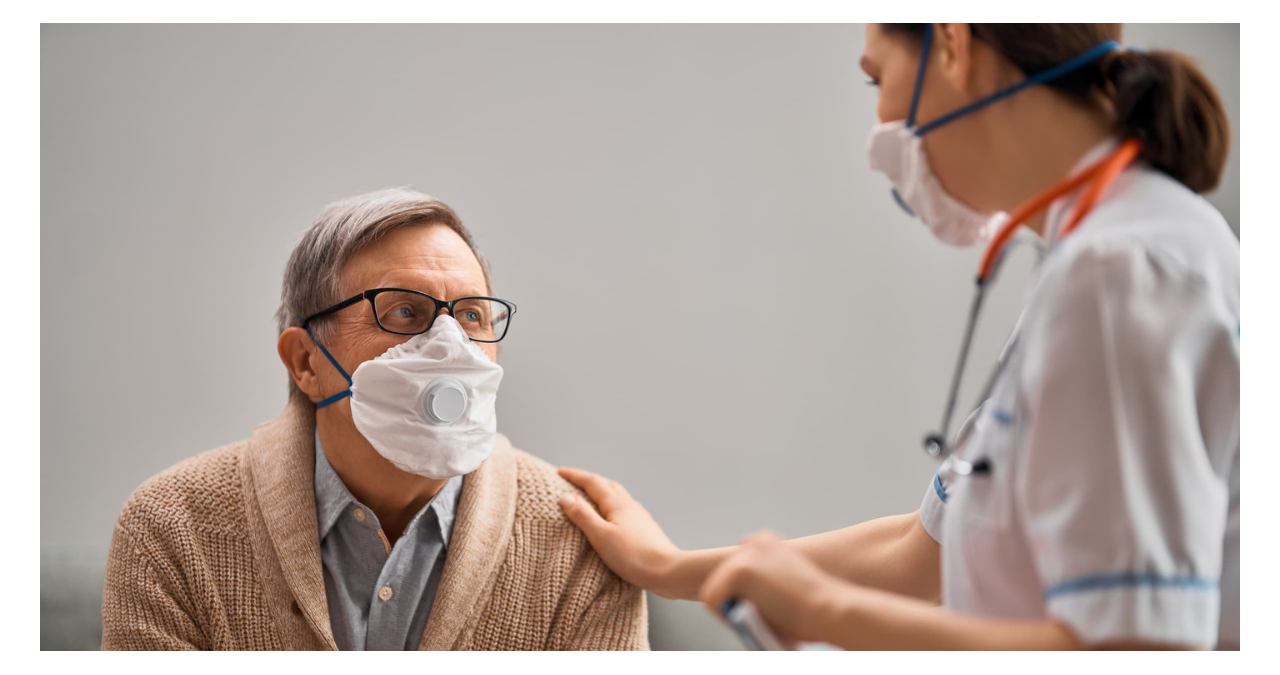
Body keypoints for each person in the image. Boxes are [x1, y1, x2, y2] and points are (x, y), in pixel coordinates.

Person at [559, 23, 1239, 650]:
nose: (882, 122)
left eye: (876, 79)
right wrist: (668, 567)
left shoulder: (1119, 269)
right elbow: (924, 554)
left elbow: (1134, 643)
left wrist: (826, 611)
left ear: (952, 45)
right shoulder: (1098, 254)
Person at [102, 188, 649, 650]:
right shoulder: (174, 531)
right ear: (306, 362)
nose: (450, 346)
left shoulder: (580, 544)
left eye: (472, 316)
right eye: (405, 312)